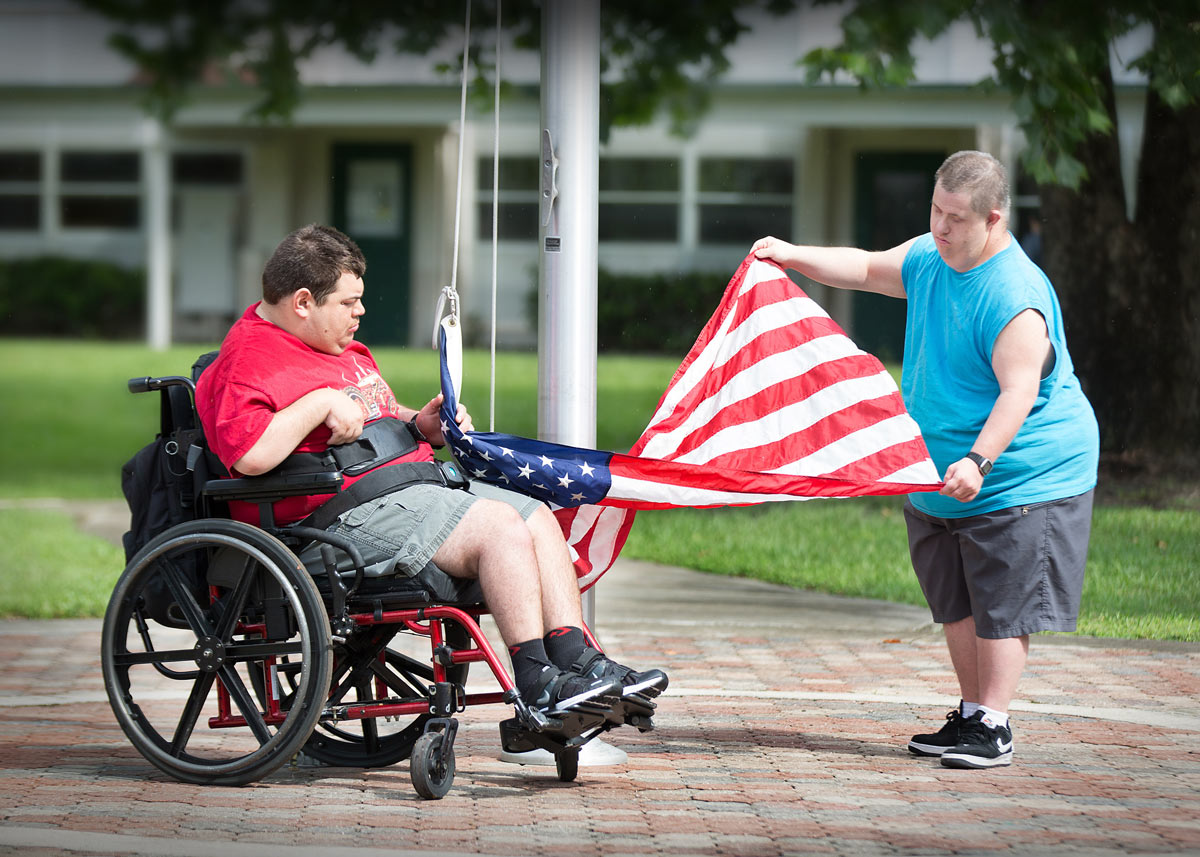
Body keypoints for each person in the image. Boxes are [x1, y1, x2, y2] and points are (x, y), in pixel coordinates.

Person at [196, 223, 668, 720]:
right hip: (332, 522)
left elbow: (374, 411)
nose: (360, 312)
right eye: (348, 302)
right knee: (499, 528)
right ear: (302, 303)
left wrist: (421, 425)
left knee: (535, 516)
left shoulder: (340, 350)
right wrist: (318, 403)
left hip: (406, 491)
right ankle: (537, 683)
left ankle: (579, 660)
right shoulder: (247, 361)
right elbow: (249, 454)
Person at [752, 150, 1098, 770]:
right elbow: (861, 267)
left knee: (1003, 600)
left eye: (956, 218)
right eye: (935, 211)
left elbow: (1019, 392)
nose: (940, 227)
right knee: (956, 597)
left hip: (1024, 472)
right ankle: (970, 715)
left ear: (994, 219)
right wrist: (791, 254)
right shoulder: (930, 259)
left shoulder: (1015, 296)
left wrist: (979, 461)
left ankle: (994, 723)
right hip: (936, 470)